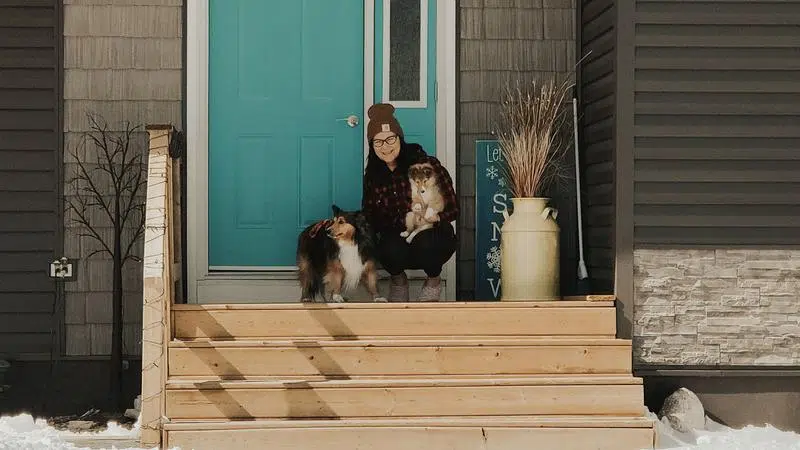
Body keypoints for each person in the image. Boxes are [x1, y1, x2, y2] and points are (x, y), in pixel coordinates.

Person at [361, 103, 459, 301]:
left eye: (390, 139)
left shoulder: (426, 165)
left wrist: (434, 217)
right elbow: (370, 214)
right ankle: (399, 281)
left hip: (431, 233)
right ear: (372, 146)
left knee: (427, 242)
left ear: (400, 138)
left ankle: (433, 281)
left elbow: (453, 208)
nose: (385, 146)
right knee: (387, 247)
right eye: (378, 142)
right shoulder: (373, 174)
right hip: (398, 235)